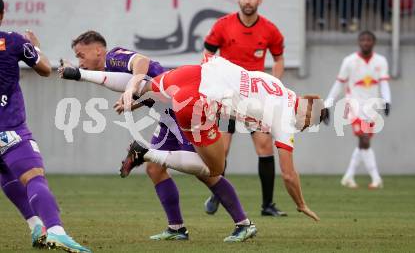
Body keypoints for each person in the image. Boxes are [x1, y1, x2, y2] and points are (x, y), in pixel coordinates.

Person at [59, 31, 257, 242]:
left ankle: (244, 224)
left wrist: (133, 88)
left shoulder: (113, 56)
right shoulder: (109, 69)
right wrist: (135, 101)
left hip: (182, 109)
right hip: (168, 114)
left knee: (208, 173)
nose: (81, 61)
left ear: (97, 49)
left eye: (82, 55)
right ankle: (176, 228)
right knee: (155, 168)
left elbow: (142, 62)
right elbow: (151, 82)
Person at [117, 55, 323, 223]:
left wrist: (138, 101)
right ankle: (145, 153)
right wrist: (301, 204)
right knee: (215, 168)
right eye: (309, 124)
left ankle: (116, 88)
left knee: (143, 88)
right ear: (307, 113)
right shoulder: (286, 119)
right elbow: (288, 175)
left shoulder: (277, 84)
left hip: (200, 72)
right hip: (203, 100)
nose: (304, 128)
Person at [0, 0, 91, 252]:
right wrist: (35, 47)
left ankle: (35, 225)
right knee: (34, 177)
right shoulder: (13, 40)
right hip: (9, 129)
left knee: (6, 174)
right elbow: (44, 69)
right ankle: (56, 231)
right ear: (2, 14)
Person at [202, 0, 287, 217]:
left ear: (260, 0)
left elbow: (279, 60)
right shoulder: (223, 26)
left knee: (264, 146)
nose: (248, 1)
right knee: (221, 151)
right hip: (227, 97)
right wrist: (214, 79)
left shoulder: (270, 30)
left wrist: (273, 84)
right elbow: (207, 54)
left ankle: (267, 205)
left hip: (254, 99)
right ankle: (217, 193)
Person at [322, 30, 391, 189]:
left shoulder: (380, 61)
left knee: (363, 143)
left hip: (373, 108)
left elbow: (384, 83)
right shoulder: (349, 61)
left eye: (369, 40)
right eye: (363, 40)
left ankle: (348, 176)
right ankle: (376, 178)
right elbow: (339, 83)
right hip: (354, 106)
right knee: (364, 139)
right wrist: (327, 104)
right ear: (359, 42)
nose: (366, 43)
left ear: (374, 42)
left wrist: (387, 100)